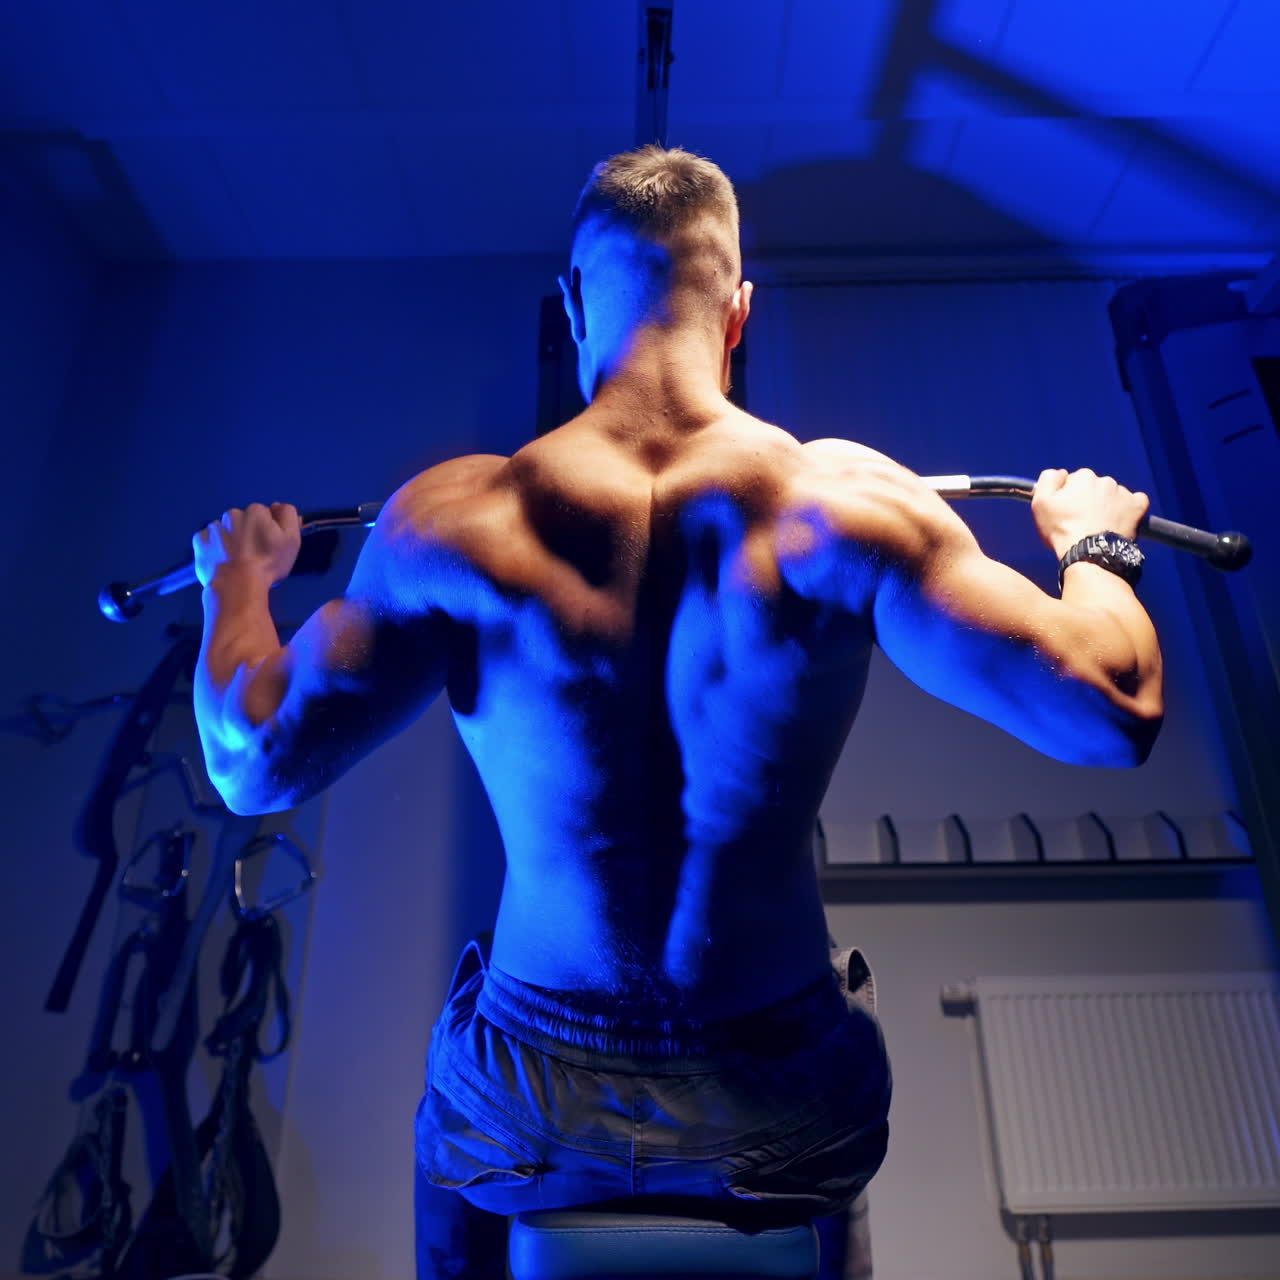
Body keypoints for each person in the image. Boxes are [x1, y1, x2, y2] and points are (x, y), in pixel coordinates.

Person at [191, 146, 1164, 1278]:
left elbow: (249, 760)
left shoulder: (456, 522)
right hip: (778, 1088)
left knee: (460, 1142)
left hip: (531, 1092)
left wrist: (237, 584)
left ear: (571, 307)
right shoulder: (840, 505)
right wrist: (1095, 544)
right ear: (738, 311)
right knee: (830, 1090)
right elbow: (1113, 704)